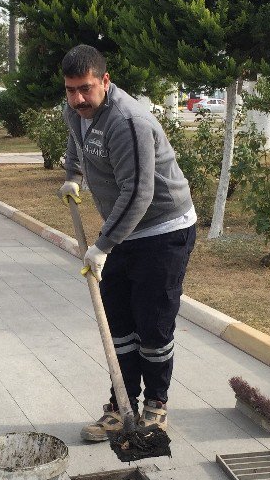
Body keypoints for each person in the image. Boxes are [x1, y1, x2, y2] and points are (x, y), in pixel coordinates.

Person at [57, 44, 197, 443]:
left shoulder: (127, 121)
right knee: (118, 321)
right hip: (123, 230)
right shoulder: (76, 109)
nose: (78, 98)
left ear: (105, 80)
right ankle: (121, 405)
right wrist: (73, 176)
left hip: (163, 229)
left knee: (151, 324)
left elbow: (139, 193)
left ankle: (155, 406)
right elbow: (76, 140)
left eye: (86, 89)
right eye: (70, 90)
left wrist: (101, 246)